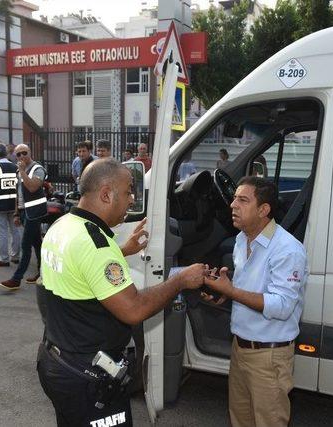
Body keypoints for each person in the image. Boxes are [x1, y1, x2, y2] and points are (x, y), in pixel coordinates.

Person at [37, 158, 209, 426]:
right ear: (106, 194)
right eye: (129, 191)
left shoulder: (64, 225)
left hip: (57, 362)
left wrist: (123, 250)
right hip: (88, 376)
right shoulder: (97, 246)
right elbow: (134, 309)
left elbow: (82, 268)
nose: (132, 199)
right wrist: (181, 280)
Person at [204, 177, 307, 427]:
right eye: (234, 198)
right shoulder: (242, 239)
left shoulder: (287, 249)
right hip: (240, 349)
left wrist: (231, 291)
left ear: (264, 210)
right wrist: (224, 293)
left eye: (242, 200)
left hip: (268, 358)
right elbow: (247, 290)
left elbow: (281, 306)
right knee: (240, 420)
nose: (232, 205)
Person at [0, 144, 46, 290]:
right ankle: (42, 273)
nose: (21, 157)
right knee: (37, 243)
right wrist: (16, 213)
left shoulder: (37, 169)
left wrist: (22, 171)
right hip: (25, 212)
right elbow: (18, 193)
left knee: (25, 245)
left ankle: (16, 279)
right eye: (17, 154)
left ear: (30, 152)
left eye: (24, 153)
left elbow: (32, 187)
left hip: (35, 212)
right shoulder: (20, 171)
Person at [0, 144, 20, 267]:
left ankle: (4, 259)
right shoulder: (15, 167)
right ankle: (16, 256)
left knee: (2, 232)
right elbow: (18, 186)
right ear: (6, 154)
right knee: (15, 230)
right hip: (13, 204)